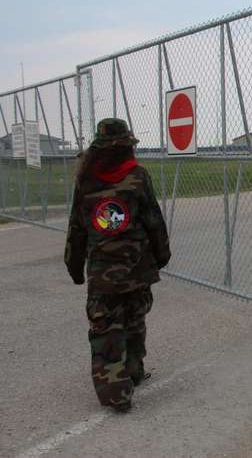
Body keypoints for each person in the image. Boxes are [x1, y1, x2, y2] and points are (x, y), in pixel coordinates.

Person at [65, 118, 171, 413]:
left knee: (106, 331)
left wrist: (74, 267)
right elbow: (154, 222)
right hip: (137, 270)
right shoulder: (137, 176)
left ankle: (116, 393)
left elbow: (76, 228)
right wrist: (162, 256)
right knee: (134, 322)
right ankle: (133, 371)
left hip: (103, 276)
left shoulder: (86, 181)